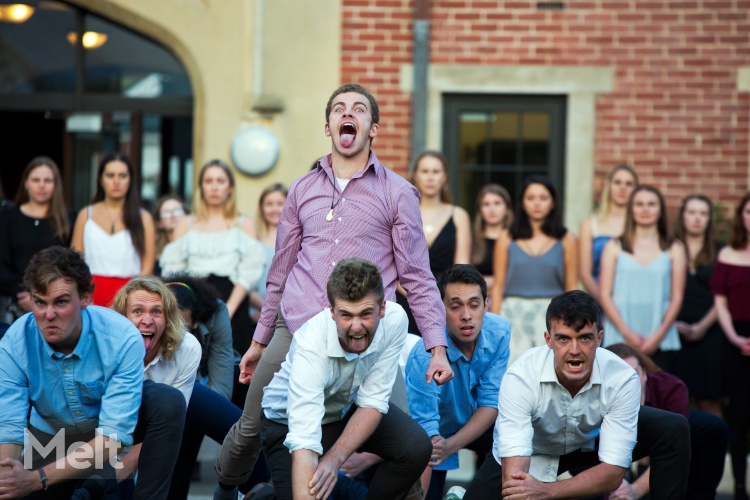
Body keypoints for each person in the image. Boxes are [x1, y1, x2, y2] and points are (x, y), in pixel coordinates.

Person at [214, 83, 452, 498]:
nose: (349, 114)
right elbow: (280, 271)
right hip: (297, 327)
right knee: (252, 424)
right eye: (340, 109)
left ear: (371, 128)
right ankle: (225, 486)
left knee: (408, 444)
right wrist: (259, 339)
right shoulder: (302, 189)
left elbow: (418, 275)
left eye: (359, 109)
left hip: (367, 336)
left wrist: (437, 346)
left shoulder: (397, 192)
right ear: (328, 127)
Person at [464, 290, 690, 500]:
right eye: (563, 338)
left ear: (599, 338)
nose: (574, 350)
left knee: (672, 428)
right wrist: (532, 492)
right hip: (533, 449)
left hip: (589, 442)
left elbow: (613, 474)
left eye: (584, 338)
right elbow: (516, 481)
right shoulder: (521, 377)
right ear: (548, 340)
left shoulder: (621, 378)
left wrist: (547, 491)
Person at [0, 246, 185, 499]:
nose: (48, 315)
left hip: (106, 436)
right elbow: (9, 428)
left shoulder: (120, 336)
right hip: (51, 435)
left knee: (168, 402)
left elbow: (113, 437)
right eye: (39, 302)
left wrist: (36, 479)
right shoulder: (15, 342)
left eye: (61, 302)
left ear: (86, 297)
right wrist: (9, 481)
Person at [259, 258, 431, 500]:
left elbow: (373, 401)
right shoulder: (311, 345)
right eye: (346, 315)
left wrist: (334, 459)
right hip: (287, 423)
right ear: (331, 312)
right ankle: (262, 497)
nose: (357, 327)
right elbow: (304, 442)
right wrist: (322, 462)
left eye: (366, 314)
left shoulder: (394, 320)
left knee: (415, 447)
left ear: (382, 307)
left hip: (343, 410)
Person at [405, 264, 510, 500]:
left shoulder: (499, 332)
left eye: (474, 305)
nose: (466, 315)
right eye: (455, 306)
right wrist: (443, 447)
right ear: (439, 309)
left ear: (487, 305)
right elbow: (426, 434)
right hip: (434, 435)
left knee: (515, 436)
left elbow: (491, 401)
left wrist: (453, 445)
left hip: (482, 426)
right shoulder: (425, 356)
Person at [163, 275, 272, 499]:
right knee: (177, 422)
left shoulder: (216, 311)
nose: (177, 335)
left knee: (240, 384)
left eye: (183, 327)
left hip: (215, 376)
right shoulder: (148, 313)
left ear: (195, 321)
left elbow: (221, 383)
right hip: (169, 386)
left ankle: (249, 483)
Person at [160, 159, 265, 358]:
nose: (214, 186)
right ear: (201, 187)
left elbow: (249, 272)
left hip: (234, 303)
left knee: (234, 368)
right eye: (208, 181)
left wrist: (228, 311)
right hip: (192, 307)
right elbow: (173, 272)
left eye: (220, 180)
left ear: (230, 188)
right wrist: (189, 313)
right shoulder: (185, 225)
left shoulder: (244, 224)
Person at [111, 276, 202, 495]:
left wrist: (120, 472)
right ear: (122, 318)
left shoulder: (187, 348)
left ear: (168, 318)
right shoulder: (104, 347)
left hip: (170, 409)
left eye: (156, 312)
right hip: (111, 427)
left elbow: (167, 428)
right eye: (138, 311)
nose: (147, 320)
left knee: (233, 422)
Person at [606, 343, 728, 500]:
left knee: (713, 428)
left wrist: (635, 489)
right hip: (610, 446)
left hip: (663, 442)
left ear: (644, 374)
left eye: (633, 373)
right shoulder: (593, 392)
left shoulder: (670, 387)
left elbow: (677, 447)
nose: (627, 381)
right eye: (619, 375)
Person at [490, 175, 578, 362]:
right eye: (530, 198)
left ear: (553, 202)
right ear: (522, 202)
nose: (537, 203)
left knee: (549, 369)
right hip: (512, 313)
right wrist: (495, 326)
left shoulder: (567, 239)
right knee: (512, 371)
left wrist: (571, 325)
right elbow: (498, 286)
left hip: (552, 314)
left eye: (543, 198)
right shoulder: (506, 238)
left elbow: (571, 287)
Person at [599, 185, 686, 370]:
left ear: (661, 210)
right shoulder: (614, 246)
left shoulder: (675, 249)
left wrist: (657, 337)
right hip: (621, 334)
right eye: (639, 204)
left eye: (651, 204)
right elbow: (605, 294)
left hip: (661, 336)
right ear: (631, 208)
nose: (645, 209)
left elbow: (677, 297)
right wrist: (626, 333)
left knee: (660, 395)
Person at [396, 151, 471, 335]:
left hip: (445, 301)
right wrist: (417, 295)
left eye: (436, 172)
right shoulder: (401, 212)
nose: (430, 177)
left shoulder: (459, 216)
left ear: (445, 177)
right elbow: (392, 265)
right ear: (415, 175)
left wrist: (441, 298)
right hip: (405, 298)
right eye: (425, 171)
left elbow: (461, 267)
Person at [71, 153, 155, 306]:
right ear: (101, 180)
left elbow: (148, 266)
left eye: (122, 176)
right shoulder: (85, 215)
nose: (116, 182)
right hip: (90, 293)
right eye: (110, 175)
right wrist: (84, 294)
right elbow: (76, 261)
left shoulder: (144, 218)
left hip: (130, 294)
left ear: (130, 180)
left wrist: (131, 300)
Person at [711, 192, 750, 500]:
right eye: (749, 211)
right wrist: (734, 337)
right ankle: (738, 487)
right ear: (742, 216)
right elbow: (721, 302)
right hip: (735, 341)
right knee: (737, 416)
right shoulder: (727, 255)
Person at [0, 157, 72, 322]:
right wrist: (26, 296)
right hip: (14, 303)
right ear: (26, 183)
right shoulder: (8, 217)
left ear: (55, 185)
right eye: (36, 180)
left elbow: (70, 264)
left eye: (47, 180)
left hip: (56, 304)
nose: (41, 185)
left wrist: (44, 296)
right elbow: (2, 261)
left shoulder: (68, 219)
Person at [673, 194, 723, 417]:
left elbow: (724, 296)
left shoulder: (721, 251)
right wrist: (672, 324)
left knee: (709, 400)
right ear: (682, 216)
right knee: (674, 401)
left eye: (703, 213)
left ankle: (719, 452)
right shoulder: (668, 248)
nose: (697, 218)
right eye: (692, 212)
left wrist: (702, 326)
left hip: (711, 333)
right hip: (672, 332)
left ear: (710, 219)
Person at [578, 164, 638, 302]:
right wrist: (607, 305)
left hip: (635, 299)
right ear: (609, 186)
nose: (623, 188)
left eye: (629, 184)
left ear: (636, 189)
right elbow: (586, 275)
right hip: (600, 301)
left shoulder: (640, 224)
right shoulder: (590, 224)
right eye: (617, 182)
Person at [250, 183, 287, 324]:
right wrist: (265, 310)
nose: (274, 209)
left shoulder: (301, 245)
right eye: (269, 204)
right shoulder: (254, 246)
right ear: (262, 208)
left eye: (280, 203)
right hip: (258, 318)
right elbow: (249, 288)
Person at [471, 184, 513, 290]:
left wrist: (495, 281)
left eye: (497, 203)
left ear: (507, 208)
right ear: (480, 209)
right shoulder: (472, 239)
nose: (492, 209)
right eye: (486, 204)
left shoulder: (516, 240)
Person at [153, 194, 187, 272]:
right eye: (166, 212)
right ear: (159, 222)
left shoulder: (194, 247)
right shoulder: (154, 250)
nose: (172, 215)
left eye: (177, 210)